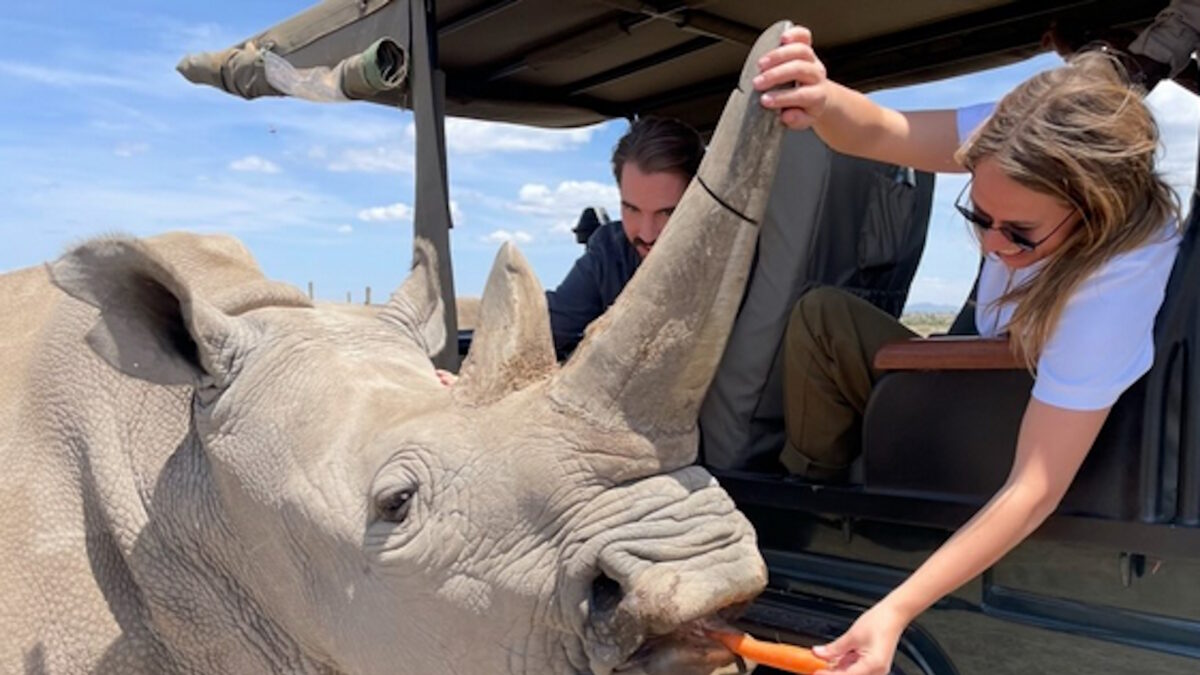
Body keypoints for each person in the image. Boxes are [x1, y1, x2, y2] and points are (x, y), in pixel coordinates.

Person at [753, 24, 1181, 675]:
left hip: (1004, 423)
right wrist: (820, 97)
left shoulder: (1117, 283)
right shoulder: (1022, 131)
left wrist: (894, 608)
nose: (990, 246)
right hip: (976, 381)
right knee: (824, 317)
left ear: (1098, 210)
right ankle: (813, 492)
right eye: (978, 215)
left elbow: (1034, 483)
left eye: (1019, 232)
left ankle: (831, 527)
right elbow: (880, 132)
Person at [545, 116, 704, 357]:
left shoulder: (737, 257)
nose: (647, 234)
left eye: (667, 212)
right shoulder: (609, 249)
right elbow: (549, 332)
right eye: (632, 209)